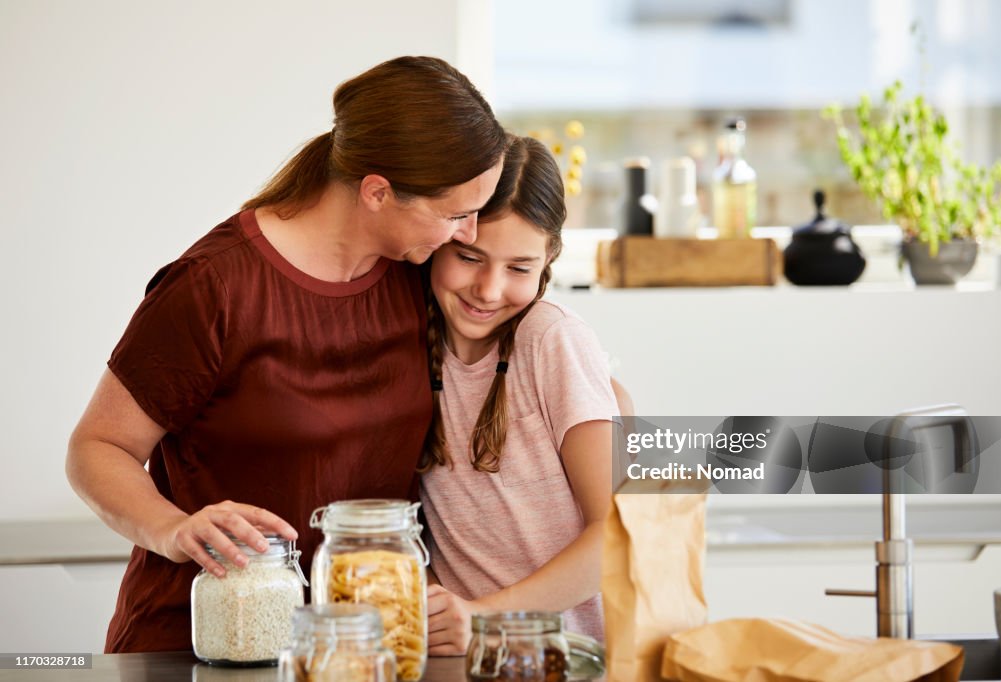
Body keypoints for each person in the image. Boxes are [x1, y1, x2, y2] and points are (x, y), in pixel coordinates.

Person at [65, 56, 506, 653]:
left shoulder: (417, 277)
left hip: (357, 651)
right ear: (378, 192)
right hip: (205, 644)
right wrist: (172, 529)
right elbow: (97, 448)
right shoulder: (214, 287)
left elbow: (527, 354)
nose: (470, 234)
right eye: (456, 213)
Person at [419, 135, 618, 653]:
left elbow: (617, 534)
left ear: (549, 257)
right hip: (458, 659)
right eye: (469, 257)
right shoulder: (412, 343)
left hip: (564, 659)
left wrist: (483, 617)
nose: (488, 290)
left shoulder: (553, 341)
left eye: (519, 268)